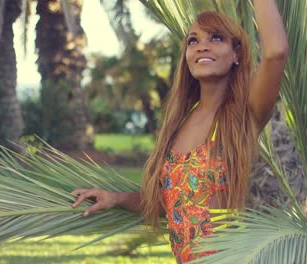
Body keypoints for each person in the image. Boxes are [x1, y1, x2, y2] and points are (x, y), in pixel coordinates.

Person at [72, 0, 288, 262]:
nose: (202, 46)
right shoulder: (179, 122)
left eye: (216, 38)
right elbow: (172, 204)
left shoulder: (243, 117)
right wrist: (116, 198)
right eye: (193, 41)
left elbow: (276, 52)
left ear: (237, 55)